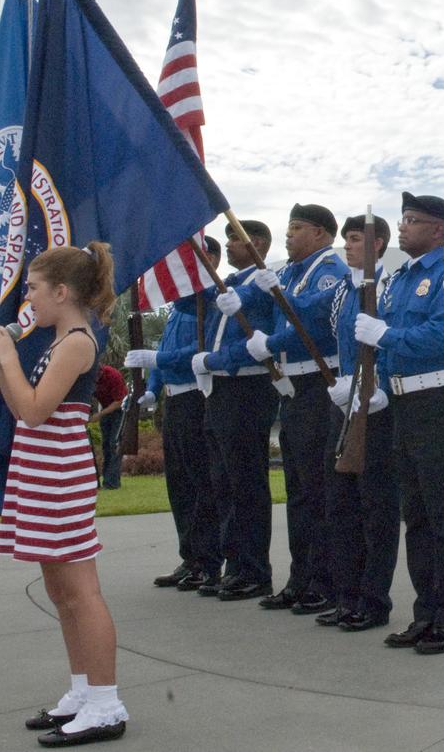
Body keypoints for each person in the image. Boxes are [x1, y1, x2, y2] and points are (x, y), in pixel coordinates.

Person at [0, 242, 128, 746]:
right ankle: (83, 692)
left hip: (60, 474)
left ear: (62, 291)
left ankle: (107, 703)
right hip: (42, 469)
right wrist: (6, 364)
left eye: (33, 288)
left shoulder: (75, 341)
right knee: (60, 590)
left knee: (80, 591)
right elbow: (20, 402)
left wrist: (8, 355)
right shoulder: (57, 340)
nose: (28, 297)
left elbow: (34, 411)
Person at [355, 192, 444, 655]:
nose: (402, 227)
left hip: (443, 402)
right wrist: (382, 383)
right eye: (403, 220)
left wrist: (385, 334)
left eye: (413, 221)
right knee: (419, 518)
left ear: (440, 231)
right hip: (406, 404)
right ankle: (425, 614)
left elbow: (442, 336)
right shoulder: (400, 281)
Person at [251, 204, 347, 616]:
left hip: (318, 383)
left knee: (316, 489)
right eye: (288, 228)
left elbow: (317, 319)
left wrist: (272, 343)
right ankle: (300, 577)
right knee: (297, 492)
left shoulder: (330, 270)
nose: (288, 235)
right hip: (293, 385)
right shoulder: (292, 271)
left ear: (322, 234)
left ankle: (322, 582)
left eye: (297, 228)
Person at [188, 220, 280, 602]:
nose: (227, 246)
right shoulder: (230, 284)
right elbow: (184, 302)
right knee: (223, 481)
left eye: (234, 239)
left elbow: (261, 338)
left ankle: (254, 569)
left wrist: (215, 358)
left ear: (255, 243)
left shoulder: (262, 282)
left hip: (248, 386)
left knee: (246, 484)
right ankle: (233, 563)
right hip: (223, 388)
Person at [320, 213, 400, 632]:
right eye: (346, 240)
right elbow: (339, 344)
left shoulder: (390, 288)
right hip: (345, 401)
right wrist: (340, 382)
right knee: (341, 506)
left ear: (379, 245)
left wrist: (379, 387)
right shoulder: (339, 294)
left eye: (355, 239)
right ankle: (346, 595)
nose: (348, 246)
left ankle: (374, 601)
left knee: (377, 508)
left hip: (378, 406)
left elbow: (393, 339)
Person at [130, 237, 224, 592]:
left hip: (199, 397)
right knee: (179, 484)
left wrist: (159, 361)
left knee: (202, 484)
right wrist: (152, 387)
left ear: (208, 260)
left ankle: (209, 560)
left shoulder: (211, 302)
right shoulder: (180, 307)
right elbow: (164, 350)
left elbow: (199, 348)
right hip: (174, 399)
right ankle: (191, 557)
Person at [90, 365, 127, 489]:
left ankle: (112, 482)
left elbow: (119, 402)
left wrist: (99, 415)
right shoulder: (88, 378)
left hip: (121, 409)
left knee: (114, 443)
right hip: (106, 408)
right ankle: (105, 479)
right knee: (106, 445)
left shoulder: (113, 375)